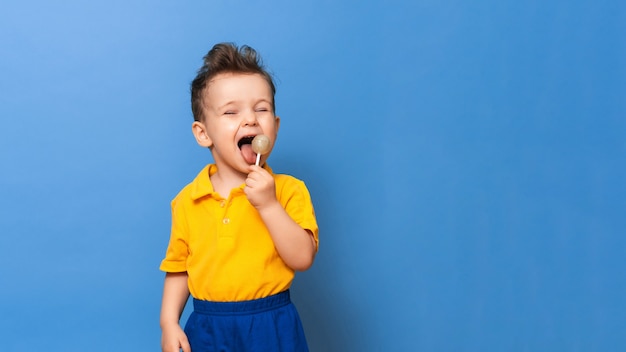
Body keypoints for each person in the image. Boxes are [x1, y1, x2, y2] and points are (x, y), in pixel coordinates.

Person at [159, 42, 319, 352]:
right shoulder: (188, 201)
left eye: (261, 109)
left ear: (274, 126)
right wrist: (168, 322)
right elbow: (179, 267)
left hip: (271, 323)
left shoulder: (288, 190)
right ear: (203, 133)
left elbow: (302, 258)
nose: (250, 120)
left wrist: (269, 205)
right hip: (208, 326)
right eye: (231, 112)